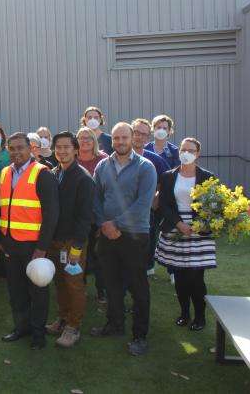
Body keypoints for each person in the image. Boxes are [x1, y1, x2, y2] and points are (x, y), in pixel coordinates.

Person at [90, 122, 157, 357]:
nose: (119, 142)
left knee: (138, 287)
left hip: (134, 235)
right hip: (107, 235)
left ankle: (140, 336)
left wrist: (115, 224)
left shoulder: (145, 167)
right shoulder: (102, 166)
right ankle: (115, 325)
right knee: (112, 284)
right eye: (116, 138)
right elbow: (96, 198)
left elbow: (143, 204)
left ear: (133, 139)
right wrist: (103, 224)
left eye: (124, 138)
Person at [0, 132, 59, 350]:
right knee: (16, 291)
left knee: (38, 291)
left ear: (30, 149)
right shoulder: (5, 173)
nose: (16, 152)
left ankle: (38, 334)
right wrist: (1, 240)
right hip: (11, 244)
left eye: (20, 148)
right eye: (12, 148)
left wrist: (42, 248)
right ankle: (21, 328)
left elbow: (51, 215)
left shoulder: (43, 174)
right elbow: (2, 209)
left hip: (34, 247)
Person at [155, 138, 216, 331]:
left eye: (191, 150)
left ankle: (200, 317)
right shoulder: (167, 176)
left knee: (196, 278)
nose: (186, 153)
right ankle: (184, 313)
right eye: (183, 149)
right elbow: (163, 205)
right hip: (175, 228)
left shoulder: (208, 177)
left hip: (199, 231)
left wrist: (199, 224)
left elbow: (214, 205)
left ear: (198, 154)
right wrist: (179, 224)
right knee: (180, 277)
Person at [44, 132, 94, 348]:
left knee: (74, 285)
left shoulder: (83, 178)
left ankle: (73, 327)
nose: (62, 151)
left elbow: (85, 217)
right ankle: (63, 318)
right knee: (60, 283)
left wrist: (77, 247)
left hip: (73, 243)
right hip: (55, 241)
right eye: (58, 147)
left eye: (66, 147)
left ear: (75, 150)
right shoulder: (55, 173)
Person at [130, 118, 170, 276]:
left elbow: (167, 183)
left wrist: (155, 200)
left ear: (148, 137)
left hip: (146, 213)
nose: (139, 137)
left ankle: (145, 269)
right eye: (136, 133)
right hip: (121, 210)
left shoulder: (155, 160)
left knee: (145, 244)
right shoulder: (116, 157)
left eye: (144, 134)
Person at [76, 126, 108, 304]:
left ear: (94, 141)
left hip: (98, 215)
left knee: (100, 255)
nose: (85, 140)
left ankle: (102, 291)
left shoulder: (103, 159)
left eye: (88, 138)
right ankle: (79, 287)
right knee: (79, 254)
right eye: (81, 138)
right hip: (79, 216)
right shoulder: (72, 159)